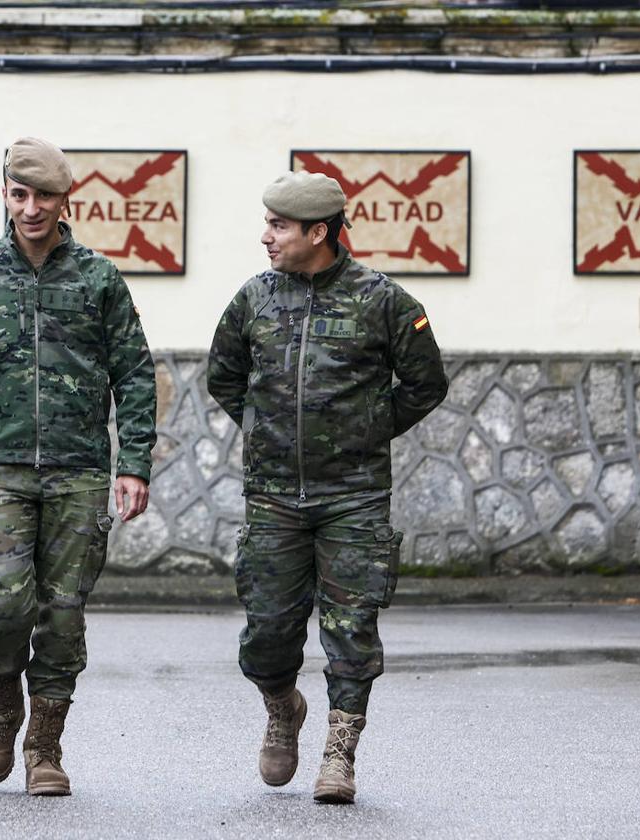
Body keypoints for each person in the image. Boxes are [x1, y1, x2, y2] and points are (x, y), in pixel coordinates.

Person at [0, 137, 157, 796]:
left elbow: (134, 371)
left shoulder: (98, 278)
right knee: (1, 601)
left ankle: (45, 748)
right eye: (20, 194)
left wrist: (133, 460)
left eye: (44, 196)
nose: (31, 208)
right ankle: (2, 708)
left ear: (64, 200)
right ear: (5, 194)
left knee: (62, 613)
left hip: (79, 468)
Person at [207, 171, 448, 804]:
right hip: (275, 497)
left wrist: (364, 432)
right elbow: (224, 377)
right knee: (266, 633)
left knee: (352, 627)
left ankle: (339, 754)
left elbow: (426, 385)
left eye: (278, 226)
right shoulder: (252, 299)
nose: (266, 237)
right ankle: (283, 706)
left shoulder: (384, 301)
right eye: (267, 223)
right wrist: (270, 435)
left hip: (354, 496)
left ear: (319, 232)